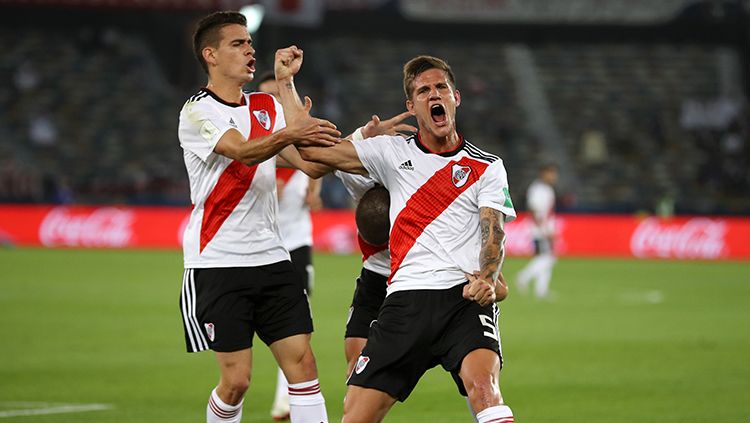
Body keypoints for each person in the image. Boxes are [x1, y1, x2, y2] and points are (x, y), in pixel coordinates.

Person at [284, 54, 517, 423]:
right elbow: (312, 153)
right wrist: (286, 86)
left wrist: (488, 278)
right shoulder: (390, 153)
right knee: (355, 414)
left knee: (485, 389)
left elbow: (494, 231)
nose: (434, 94)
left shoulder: (487, 166)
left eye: (441, 87)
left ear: (456, 97)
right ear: (411, 106)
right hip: (406, 300)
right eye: (423, 90)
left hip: (463, 300)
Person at [177, 11, 340, 423]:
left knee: (303, 366)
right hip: (218, 261)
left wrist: (362, 143)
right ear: (210, 55)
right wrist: (291, 132)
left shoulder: (265, 106)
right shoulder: (197, 112)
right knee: (237, 381)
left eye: (250, 42)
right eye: (238, 44)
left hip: (271, 256)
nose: (250, 50)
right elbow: (243, 151)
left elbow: (311, 164)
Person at [257, 71, 323, 422]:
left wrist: (316, 186)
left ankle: (285, 400)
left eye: (278, 95)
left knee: (297, 327)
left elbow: (319, 164)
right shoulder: (253, 147)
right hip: (261, 247)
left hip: (295, 246)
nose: (272, 101)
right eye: (265, 95)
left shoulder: (300, 150)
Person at [516, 163, 558, 299]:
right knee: (546, 258)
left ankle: (541, 291)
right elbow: (534, 210)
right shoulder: (538, 189)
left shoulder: (547, 189)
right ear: (543, 174)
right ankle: (522, 278)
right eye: (550, 173)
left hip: (544, 227)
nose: (553, 176)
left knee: (546, 258)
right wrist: (544, 230)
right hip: (539, 229)